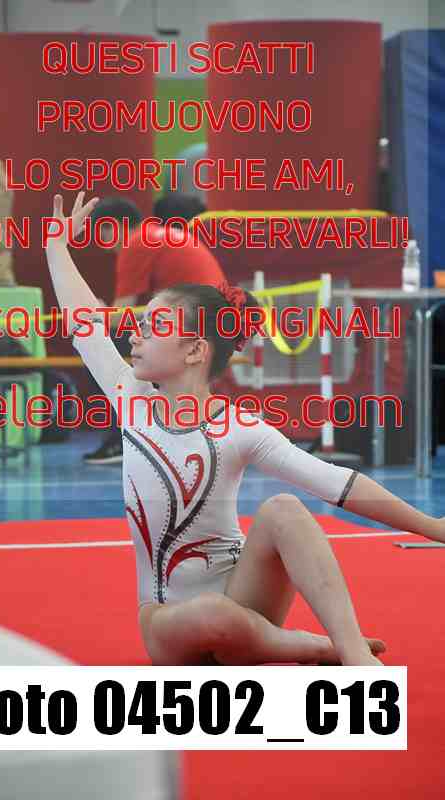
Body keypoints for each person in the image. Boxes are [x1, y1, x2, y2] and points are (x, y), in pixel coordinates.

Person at [46, 192, 445, 667]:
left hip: (246, 596)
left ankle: (352, 647)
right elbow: (85, 325)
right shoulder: (131, 399)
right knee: (213, 614)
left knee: (285, 509)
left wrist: (434, 527)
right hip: (169, 622)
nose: (135, 334)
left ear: (195, 350)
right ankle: (314, 646)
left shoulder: (239, 426)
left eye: (153, 327)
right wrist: (57, 248)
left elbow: (337, 483)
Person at [84, 193, 225, 465]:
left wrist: (96, 313)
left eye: (102, 233)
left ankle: (124, 439)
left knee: (102, 347)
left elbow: (120, 317)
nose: (103, 245)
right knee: (135, 345)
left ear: (115, 226)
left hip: (199, 326)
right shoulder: (156, 236)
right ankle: (151, 434)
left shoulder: (136, 243)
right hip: (210, 326)